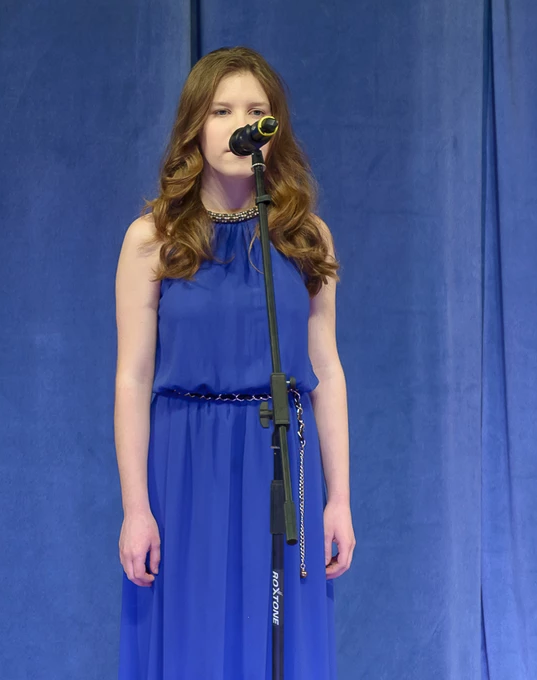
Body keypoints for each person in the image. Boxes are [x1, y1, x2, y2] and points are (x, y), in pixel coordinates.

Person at [114, 47, 356, 678]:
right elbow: (132, 378)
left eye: (255, 111)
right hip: (185, 466)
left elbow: (327, 372)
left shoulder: (305, 237)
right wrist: (136, 507)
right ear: (195, 125)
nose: (238, 124)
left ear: (273, 129)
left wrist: (339, 500)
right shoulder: (153, 239)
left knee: (280, 643)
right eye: (221, 111)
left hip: (280, 457)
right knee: (192, 641)